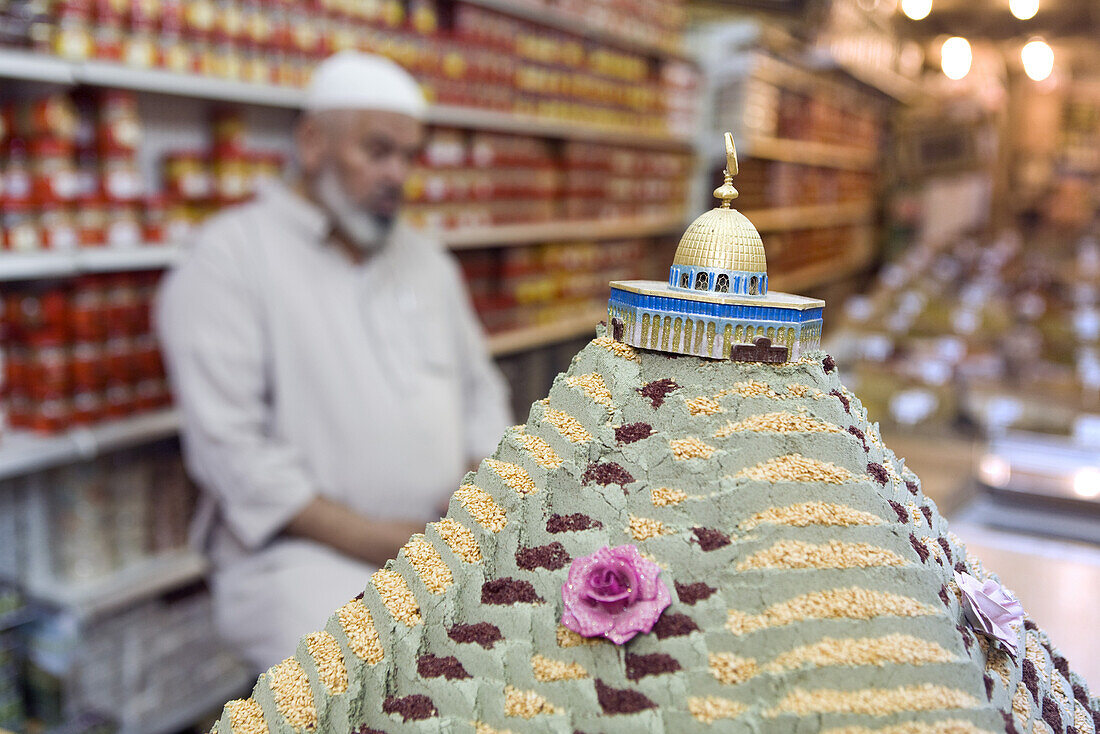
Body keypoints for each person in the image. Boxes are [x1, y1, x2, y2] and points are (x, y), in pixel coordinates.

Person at [156, 52, 511, 672]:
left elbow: (483, 395)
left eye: (409, 156)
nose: (397, 174)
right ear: (313, 143)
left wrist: (479, 507)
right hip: (299, 562)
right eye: (377, 152)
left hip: (446, 538)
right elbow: (233, 454)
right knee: (388, 680)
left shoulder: (428, 261)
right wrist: (399, 544)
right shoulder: (229, 259)